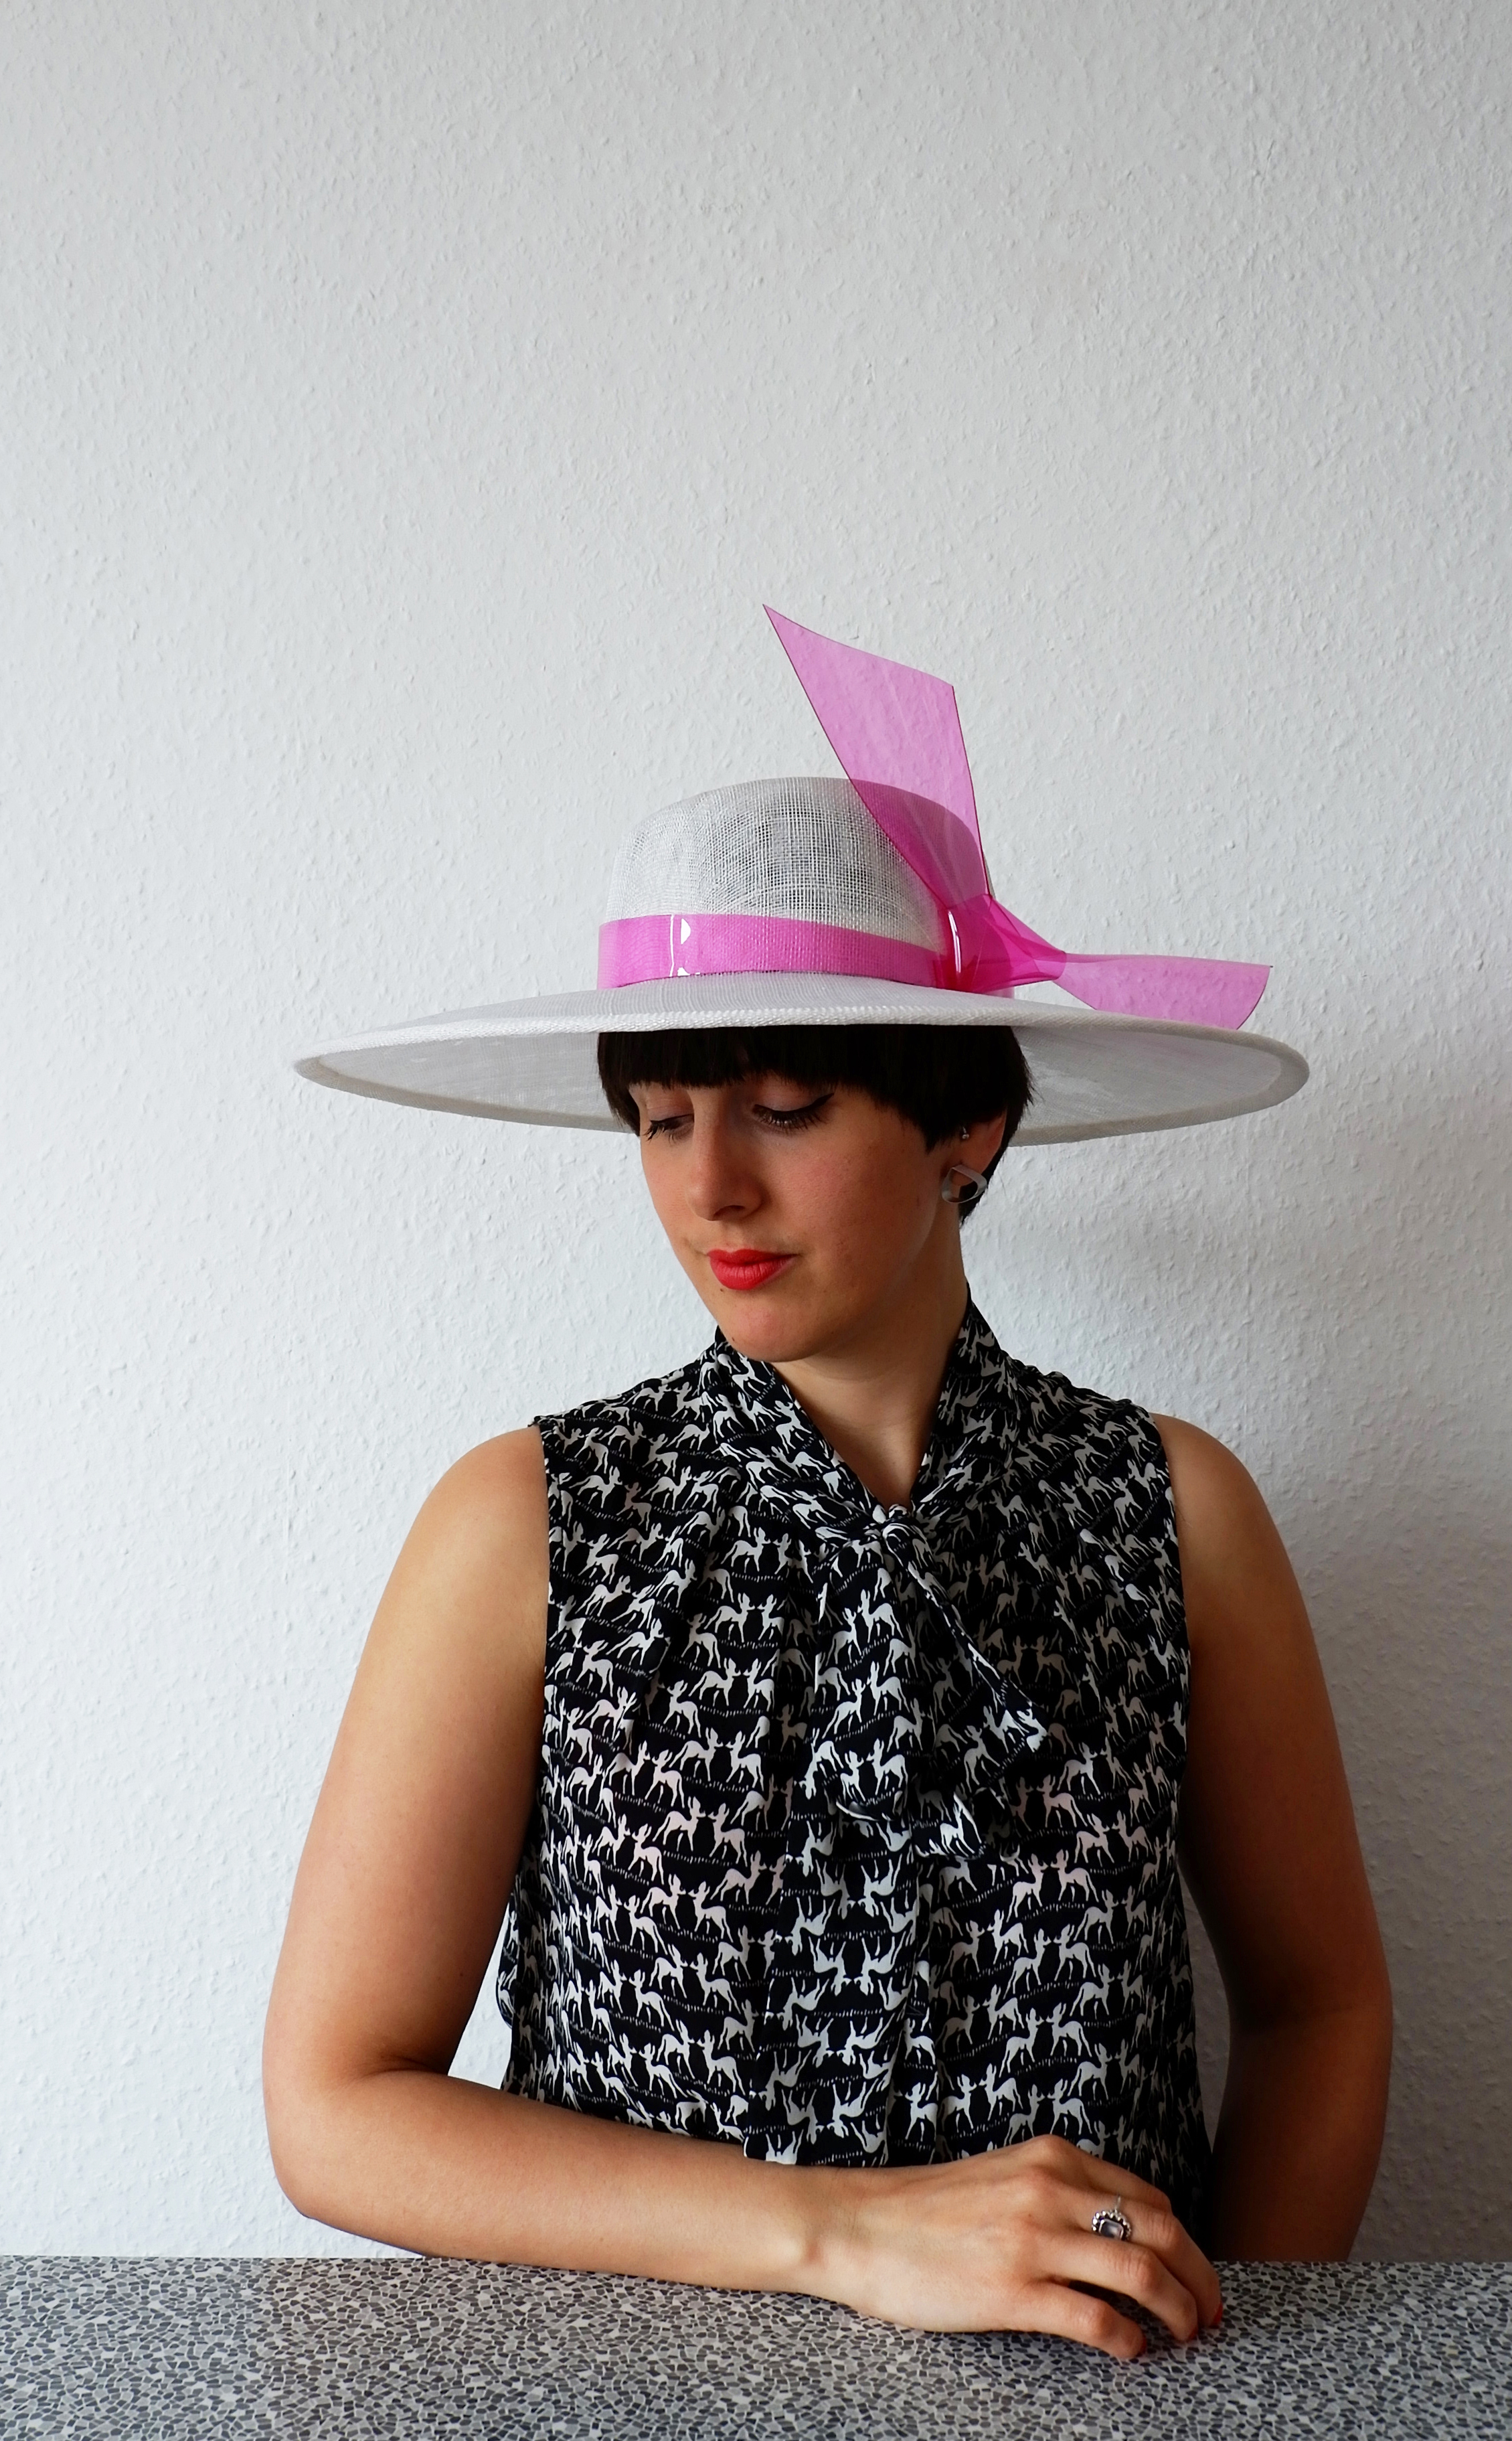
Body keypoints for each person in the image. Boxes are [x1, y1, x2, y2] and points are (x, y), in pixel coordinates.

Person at [266, 614, 1392, 2363]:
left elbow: (1321, 2011)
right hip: (626, 2405)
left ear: (966, 1128)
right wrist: (843, 2235)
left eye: (784, 1107)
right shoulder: (529, 1524)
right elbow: (336, 2102)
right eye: (660, 1118)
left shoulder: (1171, 1514)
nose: (709, 1185)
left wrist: (1225, 2373)